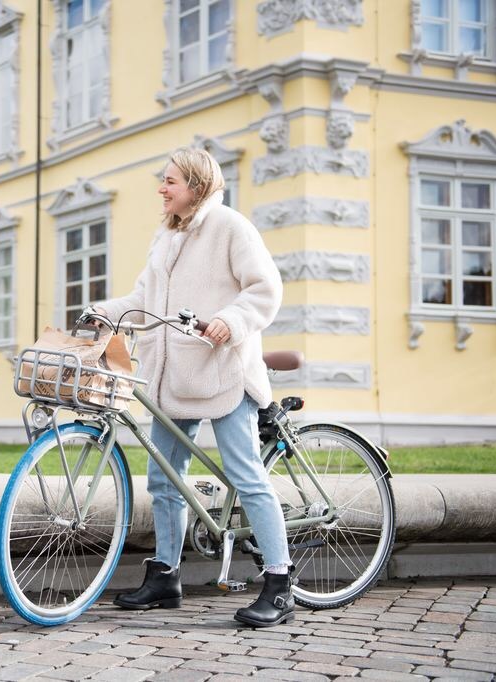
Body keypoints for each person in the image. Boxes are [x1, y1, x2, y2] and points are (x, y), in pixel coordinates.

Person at [89, 147, 293, 627]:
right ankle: (165, 576)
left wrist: (230, 320)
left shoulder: (229, 227)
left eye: (171, 181)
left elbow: (265, 287)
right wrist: (105, 311)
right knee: (163, 479)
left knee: (246, 477)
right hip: (174, 374)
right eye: (162, 180)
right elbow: (144, 301)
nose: (162, 188)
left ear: (197, 187)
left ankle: (280, 583)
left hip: (223, 370)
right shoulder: (166, 236)